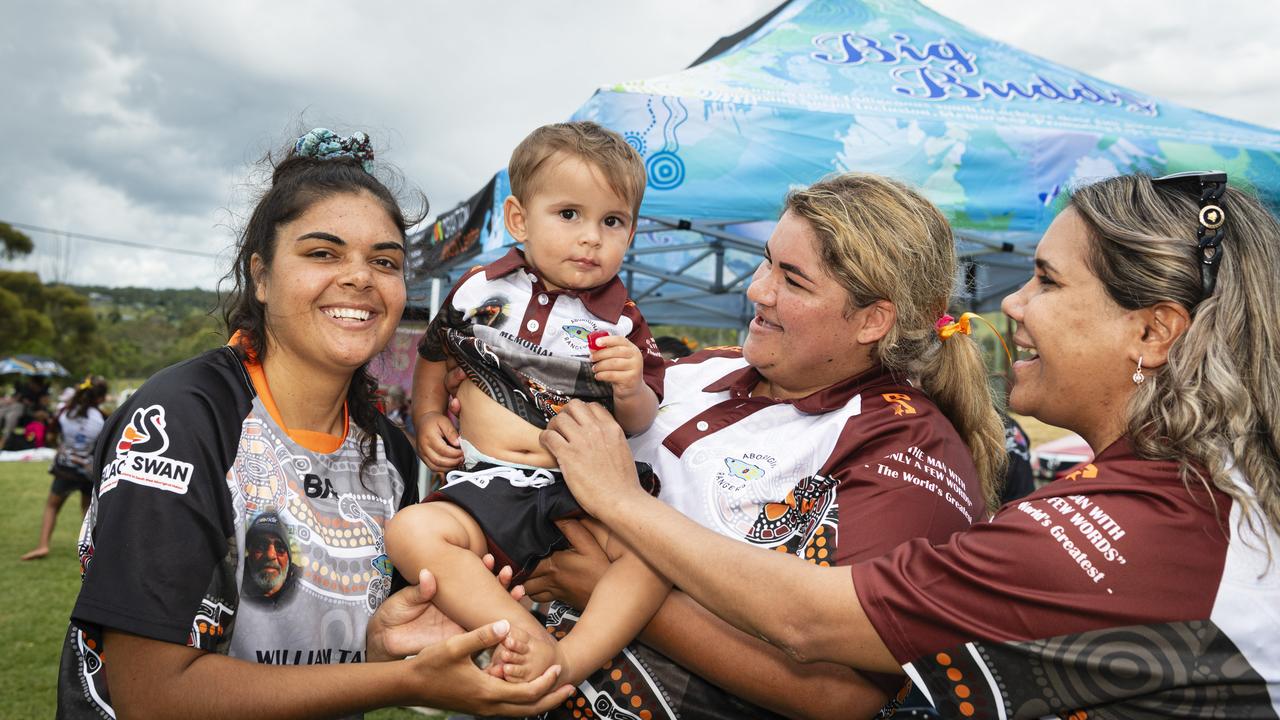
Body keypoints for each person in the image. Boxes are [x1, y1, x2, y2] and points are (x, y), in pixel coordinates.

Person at [541, 171, 1280, 717]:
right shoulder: (1183, 495)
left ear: (1151, 332)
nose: (1011, 304)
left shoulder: (1139, 525)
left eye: (1047, 283)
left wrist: (614, 507)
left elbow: (817, 636)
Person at [56, 127, 573, 719]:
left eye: (385, 261)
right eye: (322, 253)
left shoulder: (392, 456)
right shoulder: (182, 417)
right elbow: (153, 695)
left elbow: (349, 664)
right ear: (262, 276)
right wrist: (401, 685)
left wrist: (383, 648)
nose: (360, 278)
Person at [519, 173, 1008, 719]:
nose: (757, 289)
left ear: (873, 320)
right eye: (766, 260)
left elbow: (843, 697)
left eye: (793, 282)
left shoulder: (904, 444)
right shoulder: (703, 368)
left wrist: (611, 582)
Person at [388, 120, 669, 687]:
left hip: (579, 490)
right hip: (483, 484)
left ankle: (573, 657)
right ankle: (524, 635)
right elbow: (436, 360)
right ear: (519, 219)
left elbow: (641, 420)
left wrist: (631, 387)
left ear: (631, 231)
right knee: (410, 532)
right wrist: (426, 416)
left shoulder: (621, 320)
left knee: (658, 557)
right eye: (569, 214)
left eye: (611, 221)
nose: (592, 236)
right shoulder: (478, 289)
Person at [20, 376, 109, 561]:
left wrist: (60, 446)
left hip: (65, 469)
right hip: (89, 471)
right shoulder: (102, 418)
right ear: (100, 398)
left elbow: (51, 436)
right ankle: (96, 551)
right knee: (88, 510)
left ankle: (43, 545)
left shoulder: (65, 412)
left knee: (52, 506)